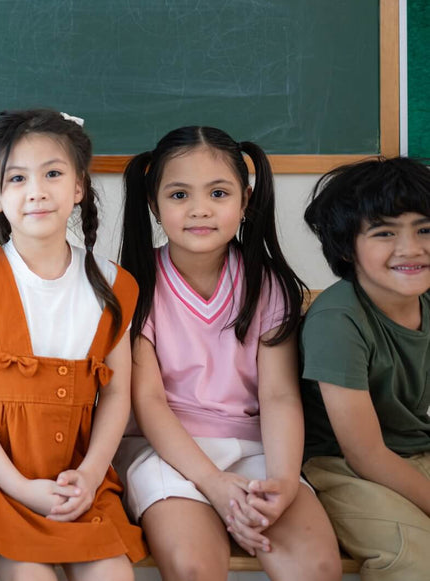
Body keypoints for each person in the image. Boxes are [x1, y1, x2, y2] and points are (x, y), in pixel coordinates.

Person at [115, 126, 341, 581]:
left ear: (246, 200)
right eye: (179, 195)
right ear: (153, 203)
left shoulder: (269, 284)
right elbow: (150, 403)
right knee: (195, 567)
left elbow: (278, 397)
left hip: (257, 449)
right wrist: (215, 486)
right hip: (166, 451)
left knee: (315, 567)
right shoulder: (134, 287)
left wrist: (280, 482)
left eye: (218, 192)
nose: (200, 209)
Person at [0, 110, 143, 581]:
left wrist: (93, 474)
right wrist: (19, 485)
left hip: (81, 478)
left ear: (78, 186)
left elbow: (117, 393)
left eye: (53, 173)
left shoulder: (114, 285)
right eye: (16, 178)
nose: (37, 190)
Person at [300, 157, 430, 580]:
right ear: (345, 247)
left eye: (424, 229)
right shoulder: (338, 319)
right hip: (343, 468)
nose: (411, 248)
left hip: (415, 452)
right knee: (414, 562)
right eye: (384, 233)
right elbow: (365, 454)